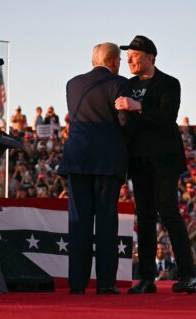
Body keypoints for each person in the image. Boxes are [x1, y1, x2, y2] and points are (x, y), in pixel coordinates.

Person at [116, 35, 196, 294]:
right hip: (138, 160)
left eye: (135, 55)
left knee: (169, 212)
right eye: (128, 56)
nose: (130, 59)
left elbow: (166, 117)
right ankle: (147, 278)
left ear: (150, 57)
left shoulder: (169, 83)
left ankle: (187, 275)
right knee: (146, 217)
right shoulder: (127, 84)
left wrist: (138, 106)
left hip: (163, 160)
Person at [57, 42, 134, 295]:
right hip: (106, 162)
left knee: (78, 223)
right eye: (120, 60)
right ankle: (105, 284)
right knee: (105, 223)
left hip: (77, 160)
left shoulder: (72, 84)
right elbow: (125, 121)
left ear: (94, 61)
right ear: (114, 61)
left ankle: (77, 284)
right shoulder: (120, 84)